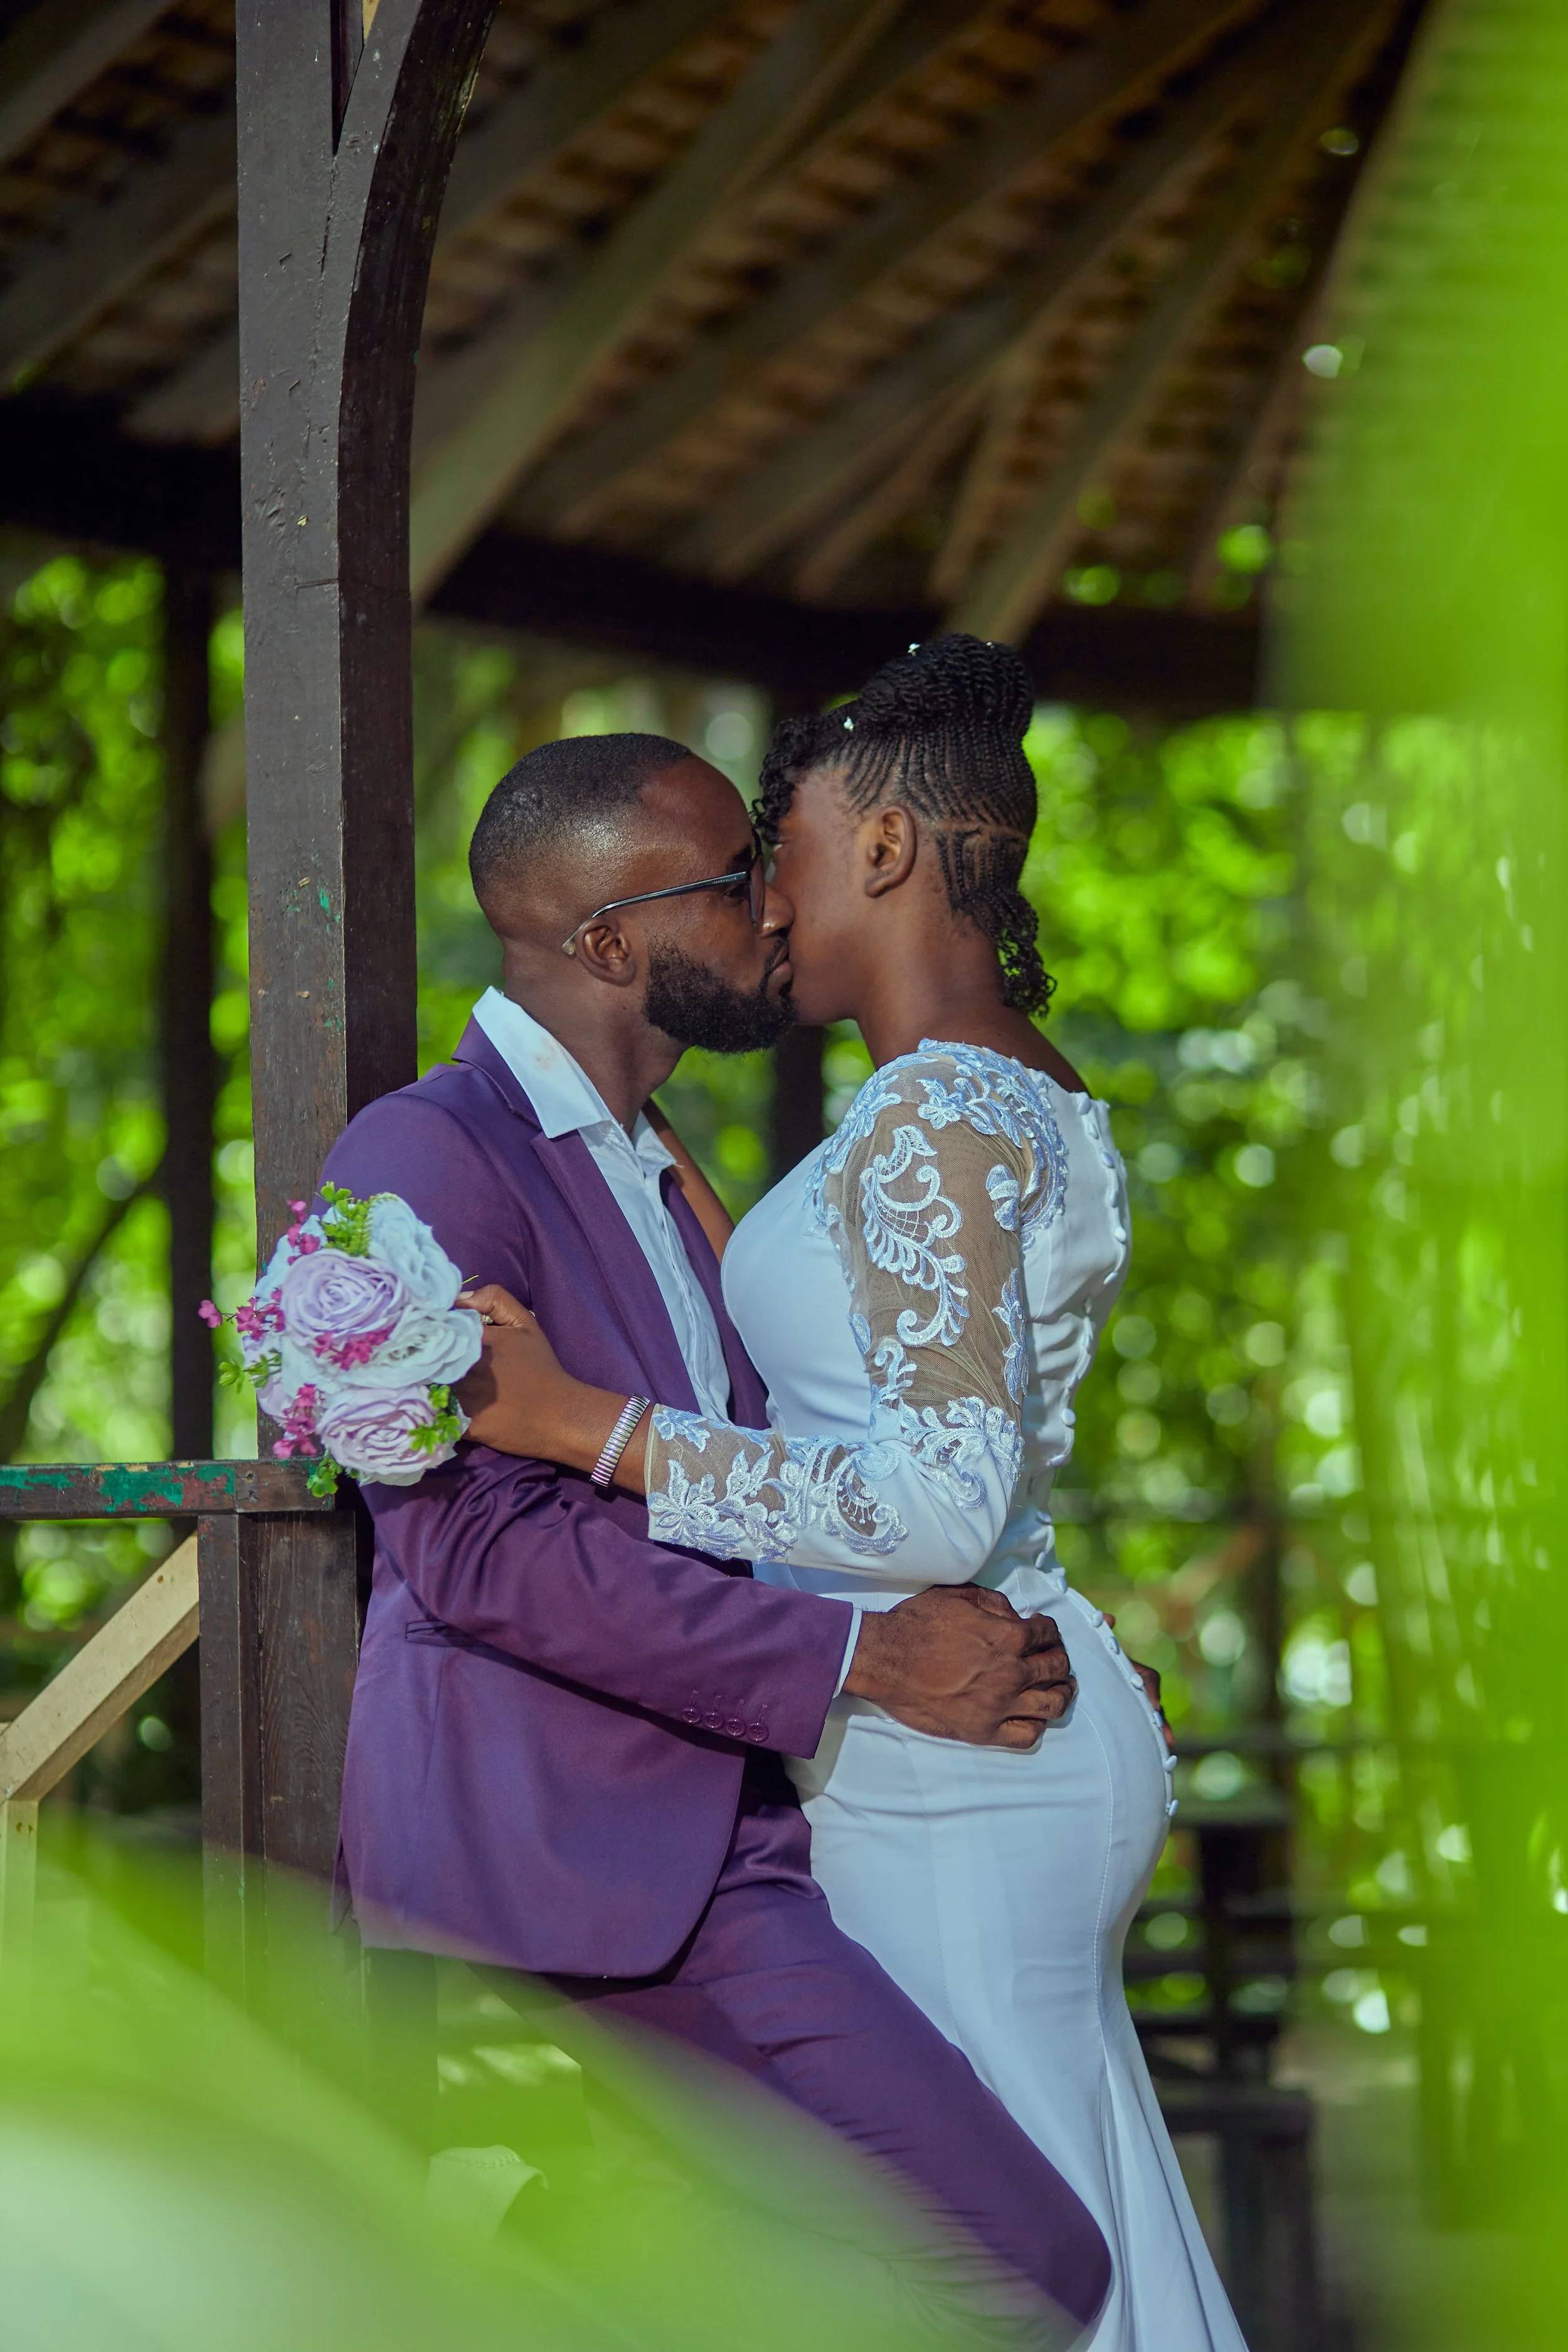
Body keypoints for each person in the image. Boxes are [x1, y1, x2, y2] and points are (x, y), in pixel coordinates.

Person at [460, 640, 1248, 2352]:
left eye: (785, 847)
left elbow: (936, 1501)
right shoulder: (980, 1088)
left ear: (884, 850)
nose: (764, 897)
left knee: (983, 2253)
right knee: (1053, 2191)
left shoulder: (930, 1116)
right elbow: (916, 1397)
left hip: (957, 1766)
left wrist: (579, 1421)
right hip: (991, 1727)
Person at [318, 729, 1110, 2346]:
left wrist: (1033, 1623)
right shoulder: (422, 1156)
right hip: (583, 1842)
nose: (775, 906)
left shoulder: (671, 1177)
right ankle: (539, 2240)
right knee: (1016, 2262)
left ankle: (594, 2239)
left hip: (756, 1817)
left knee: (1027, 2255)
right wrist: (866, 1654)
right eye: (731, 880)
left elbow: (787, 1475)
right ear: (610, 939)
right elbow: (478, 1552)